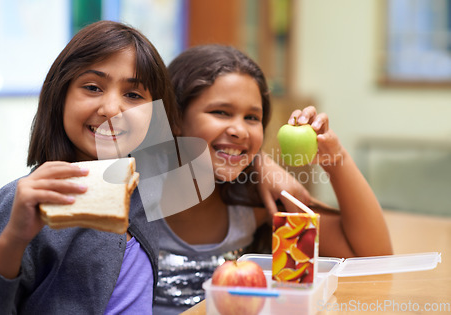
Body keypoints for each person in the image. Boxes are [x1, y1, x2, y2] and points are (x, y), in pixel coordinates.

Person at [0, 20, 180, 314]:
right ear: (60, 96)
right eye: (93, 87)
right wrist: (14, 239)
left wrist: (257, 168)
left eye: (133, 95)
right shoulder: (25, 201)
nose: (111, 109)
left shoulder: (144, 189)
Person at [152, 44, 392, 314]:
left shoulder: (256, 201)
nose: (240, 130)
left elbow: (373, 261)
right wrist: (260, 162)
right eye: (221, 112)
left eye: (252, 117)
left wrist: (336, 159)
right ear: (175, 118)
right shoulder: (139, 190)